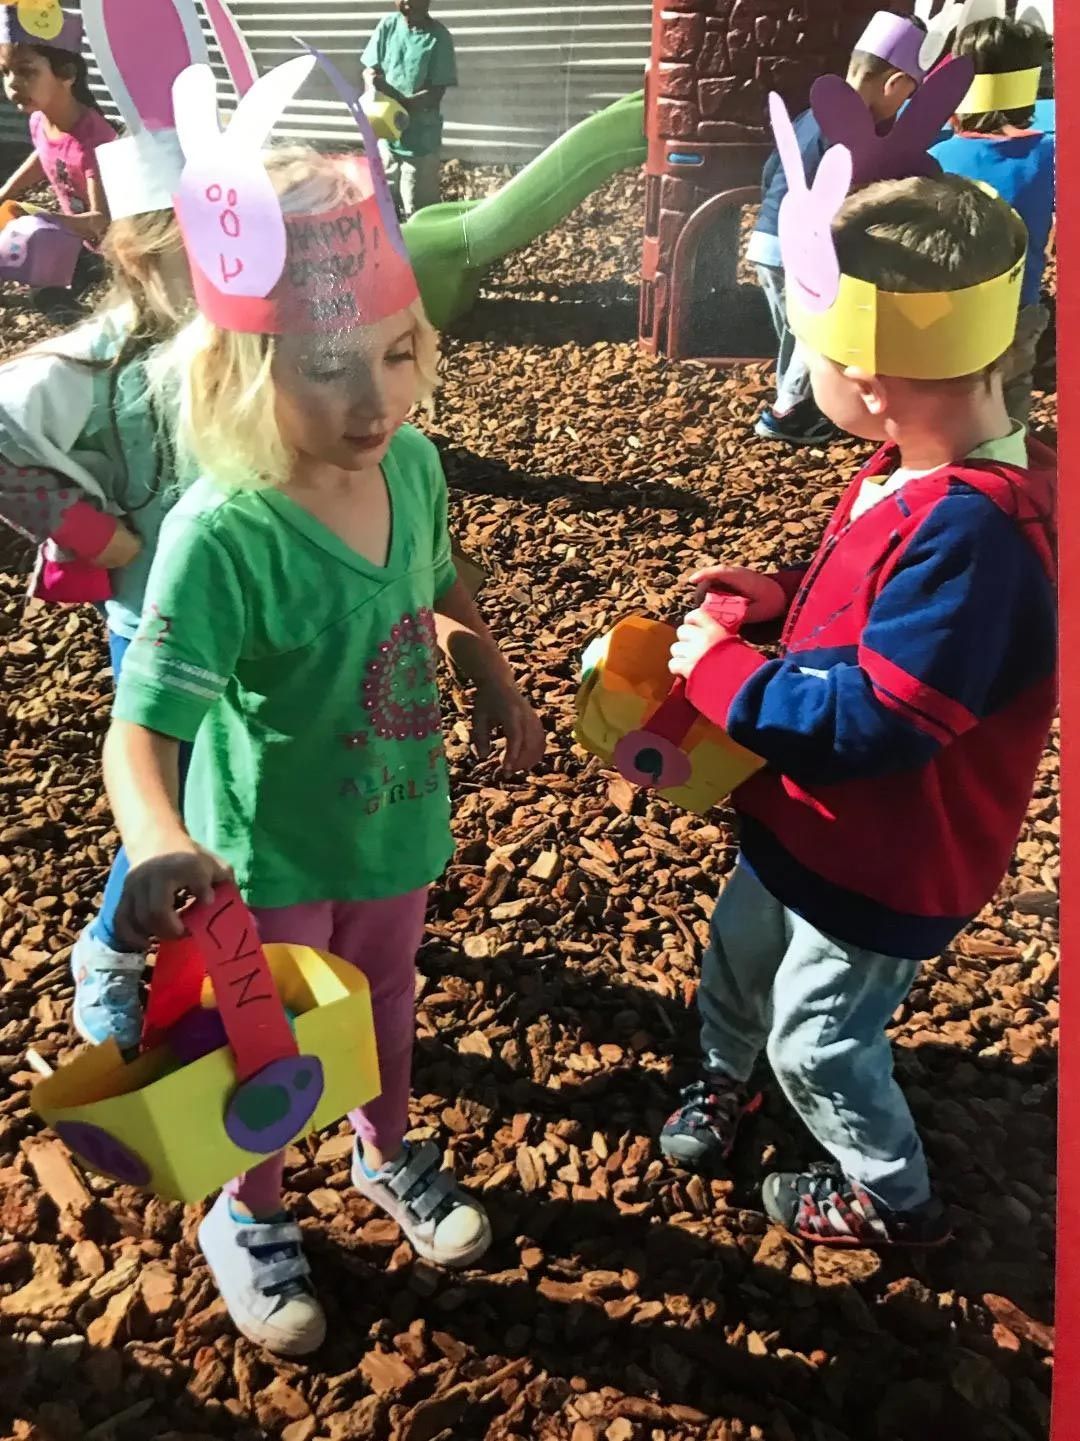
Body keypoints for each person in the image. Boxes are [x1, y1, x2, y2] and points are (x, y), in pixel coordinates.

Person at [102, 142, 545, 1354]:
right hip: (268, 858)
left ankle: (385, 1150)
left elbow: (440, 580)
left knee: (386, 996)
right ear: (246, 367)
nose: (376, 400)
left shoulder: (411, 462)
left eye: (398, 356)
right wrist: (159, 842)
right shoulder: (225, 535)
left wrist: (487, 665)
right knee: (267, 1040)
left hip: (393, 819)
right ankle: (247, 1215)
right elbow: (141, 732)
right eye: (329, 368)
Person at [661, 173, 1056, 1248]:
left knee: (822, 1042)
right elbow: (879, 609)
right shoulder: (910, 469)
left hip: (885, 853)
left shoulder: (975, 535)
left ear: (870, 380)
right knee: (739, 953)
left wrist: (725, 677)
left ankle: (892, 1193)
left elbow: (884, 722)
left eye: (810, 351)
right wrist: (788, 597)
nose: (804, 368)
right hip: (807, 822)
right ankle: (725, 1077)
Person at [748, 11, 928, 445]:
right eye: (908, 96)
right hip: (805, 248)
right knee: (815, 331)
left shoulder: (811, 115)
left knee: (797, 331)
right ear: (896, 84)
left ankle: (796, 404)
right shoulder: (853, 129)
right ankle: (786, 413)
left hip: (768, 239)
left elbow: (773, 167)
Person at [931, 16, 1054, 424]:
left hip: (940, 311)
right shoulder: (1050, 155)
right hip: (1015, 311)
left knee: (942, 405)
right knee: (1008, 412)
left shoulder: (934, 160)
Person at [0, 6, 115, 293]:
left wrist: (45, 220)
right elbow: (46, 153)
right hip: (76, 236)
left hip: (112, 252)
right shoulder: (40, 120)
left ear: (67, 74)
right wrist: (5, 193)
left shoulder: (95, 140)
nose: (12, 83)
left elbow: (102, 221)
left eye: (26, 71)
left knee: (45, 288)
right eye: (5, 71)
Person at [362, 0, 457, 218]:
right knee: (384, 205)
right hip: (387, 138)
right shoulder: (388, 25)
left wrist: (398, 100)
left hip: (419, 144)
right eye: (402, 0)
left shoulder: (438, 37)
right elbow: (370, 69)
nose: (407, 5)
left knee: (418, 211)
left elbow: (435, 94)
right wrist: (371, 87)